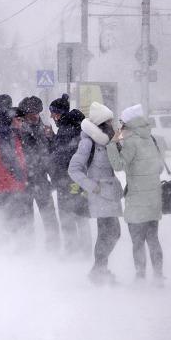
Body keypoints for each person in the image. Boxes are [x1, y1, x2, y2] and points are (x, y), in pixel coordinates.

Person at [106, 104, 166, 286]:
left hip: (137, 200)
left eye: (122, 123)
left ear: (128, 124)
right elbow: (160, 167)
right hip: (154, 197)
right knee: (153, 239)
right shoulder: (153, 139)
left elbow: (118, 165)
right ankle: (158, 277)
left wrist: (113, 143)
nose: (120, 126)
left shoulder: (131, 142)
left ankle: (140, 277)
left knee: (138, 241)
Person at [68, 102, 123, 285]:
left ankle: (99, 269)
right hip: (99, 194)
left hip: (110, 194)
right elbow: (74, 169)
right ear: (101, 123)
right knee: (109, 232)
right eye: (109, 121)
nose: (112, 124)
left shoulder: (109, 141)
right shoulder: (88, 142)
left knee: (112, 233)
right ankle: (99, 270)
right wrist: (92, 186)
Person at [15, 96, 61, 252]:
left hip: (41, 180)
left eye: (37, 112)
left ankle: (53, 250)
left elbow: (53, 154)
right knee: (25, 219)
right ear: (25, 114)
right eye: (31, 113)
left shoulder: (44, 128)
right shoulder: (18, 130)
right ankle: (26, 251)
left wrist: (52, 137)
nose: (35, 116)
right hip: (24, 181)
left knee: (49, 217)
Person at [49, 94, 92, 257]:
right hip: (78, 180)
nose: (52, 116)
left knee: (68, 215)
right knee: (80, 214)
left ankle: (72, 251)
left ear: (60, 113)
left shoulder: (66, 129)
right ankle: (86, 250)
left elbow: (63, 157)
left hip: (67, 181)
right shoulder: (75, 126)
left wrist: (56, 175)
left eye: (53, 113)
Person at [0, 94, 28, 229]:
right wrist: (18, 173)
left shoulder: (2, 127)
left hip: (2, 181)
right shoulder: (5, 133)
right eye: (19, 120)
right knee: (11, 219)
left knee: (5, 217)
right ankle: (11, 245)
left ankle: (8, 243)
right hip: (7, 183)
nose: (21, 123)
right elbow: (7, 156)